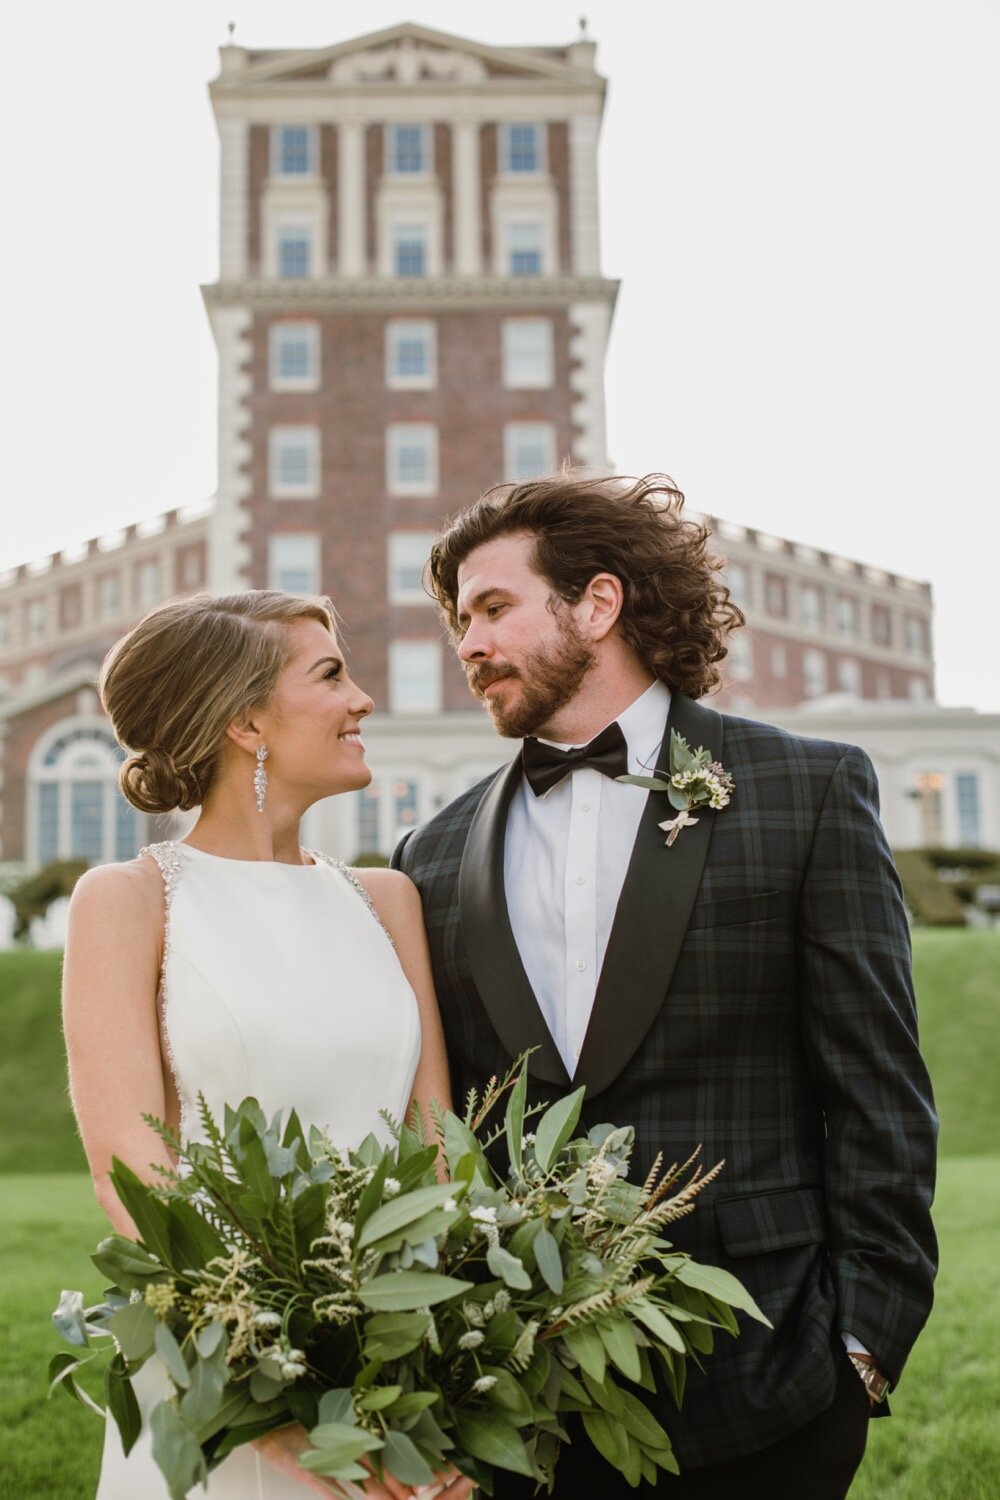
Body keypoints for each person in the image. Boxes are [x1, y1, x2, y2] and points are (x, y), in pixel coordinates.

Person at [391, 473, 938, 1500]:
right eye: (459, 620)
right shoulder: (429, 851)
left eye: (493, 609)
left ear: (596, 604)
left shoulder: (807, 790)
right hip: (523, 1405)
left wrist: (863, 1346)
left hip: (769, 1376)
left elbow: (878, 1092)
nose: (465, 644)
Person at [63, 590, 474, 1500]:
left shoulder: (387, 900)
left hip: (401, 1369)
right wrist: (280, 1409)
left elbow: (444, 1149)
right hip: (225, 1378)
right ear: (246, 720)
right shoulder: (130, 902)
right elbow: (133, 1177)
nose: (362, 698)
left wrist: (449, 1387)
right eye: (331, 675)